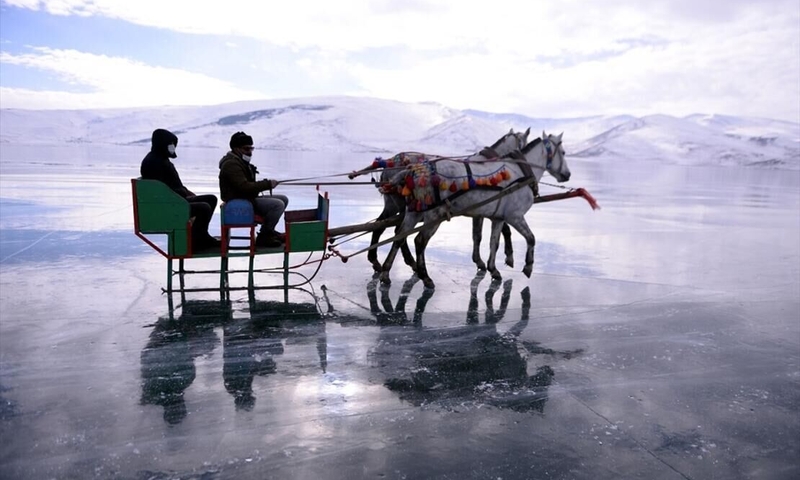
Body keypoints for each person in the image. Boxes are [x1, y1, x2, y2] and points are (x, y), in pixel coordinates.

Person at [140, 128, 220, 251]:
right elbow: (161, 191)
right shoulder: (153, 162)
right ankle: (197, 241)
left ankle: (201, 236)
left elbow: (171, 184)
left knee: (211, 199)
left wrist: (185, 192)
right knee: (204, 207)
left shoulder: (161, 159)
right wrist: (182, 195)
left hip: (175, 200)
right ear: (162, 144)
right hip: (168, 205)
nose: (172, 147)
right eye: (170, 144)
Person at [218, 131, 289, 248]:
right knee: (278, 205)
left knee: (283, 199)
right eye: (246, 149)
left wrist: (266, 184)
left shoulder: (240, 162)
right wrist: (267, 184)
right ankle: (264, 237)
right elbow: (244, 187)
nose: (250, 152)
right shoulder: (231, 165)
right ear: (236, 149)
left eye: (251, 149)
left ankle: (268, 230)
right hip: (240, 202)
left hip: (246, 198)